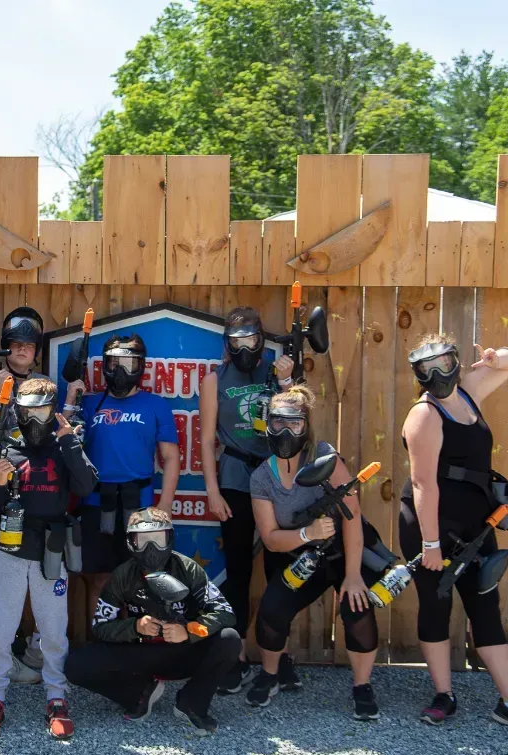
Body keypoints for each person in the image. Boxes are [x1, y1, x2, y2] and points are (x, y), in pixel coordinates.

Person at [0, 378, 98, 740]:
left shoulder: (66, 444)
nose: (34, 418)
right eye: (27, 410)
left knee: (53, 628)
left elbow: (87, 486)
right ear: (17, 410)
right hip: (11, 549)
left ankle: (56, 696)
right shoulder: (8, 446)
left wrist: (68, 439)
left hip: (51, 550)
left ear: (53, 409)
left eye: (41, 410)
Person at [248, 386, 380, 719]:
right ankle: (270, 675)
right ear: (267, 424)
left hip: (340, 553)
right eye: (277, 423)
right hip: (299, 557)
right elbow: (271, 538)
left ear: (306, 425)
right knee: (271, 612)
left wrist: (352, 576)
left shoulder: (326, 458)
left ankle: (362, 686)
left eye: (294, 424)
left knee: (357, 609)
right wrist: (308, 533)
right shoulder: (262, 477)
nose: (285, 431)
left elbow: (352, 518)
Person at [400, 334, 508, 726]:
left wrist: (497, 359)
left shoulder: (469, 393)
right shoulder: (424, 415)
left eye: (443, 364)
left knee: (485, 605)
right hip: (432, 525)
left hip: (478, 523)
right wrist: (430, 545)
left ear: (456, 362)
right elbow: (423, 484)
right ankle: (444, 695)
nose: (436, 375)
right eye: (425, 369)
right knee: (436, 604)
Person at [64, 507, 239, 736]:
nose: (151, 548)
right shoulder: (122, 576)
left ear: (170, 539)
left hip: (184, 652)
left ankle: (192, 703)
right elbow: (100, 626)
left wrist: (189, 631)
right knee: (75, 664)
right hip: (141, 653)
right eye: (143, 541)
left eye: (158, 539)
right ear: (131, 543)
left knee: (229, 639)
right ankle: (139, 694)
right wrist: (135, 627)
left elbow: (225, 612)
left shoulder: (187, 569)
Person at [198, 305, 297, 693]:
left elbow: (296, 418)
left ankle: (280, 656)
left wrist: (288, 384)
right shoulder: (214, 379)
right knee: (237, 570)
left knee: (280, 570)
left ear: (261, 340)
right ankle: (235, 659)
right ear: (227, 343)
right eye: (236, 340)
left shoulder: (276, 371)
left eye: (251, 339)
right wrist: (211, 489)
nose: (244, 348)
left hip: (275, 477)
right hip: (236, 478)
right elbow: (207, 439)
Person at [63, 333, 180, 627]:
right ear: (104, 365)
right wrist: (69, 400)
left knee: (138, 582)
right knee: (99, 580)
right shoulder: (88, 404)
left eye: (129, 363)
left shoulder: (155, 405)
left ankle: (135, 653)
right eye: (114, 363)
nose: (121, 371)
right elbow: (62, 440)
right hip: (94, 503)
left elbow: (171, 457)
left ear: (141, 367)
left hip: (139, 508)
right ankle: (101, 648)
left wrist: (164, 504)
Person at [0, 305, 50, 678]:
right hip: (0, 488)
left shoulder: (45, 385)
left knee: (36, 568)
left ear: (36, 351)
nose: (21, 350)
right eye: (15, 344)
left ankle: (32, 643)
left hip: (38, 487)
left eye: (28, 346)